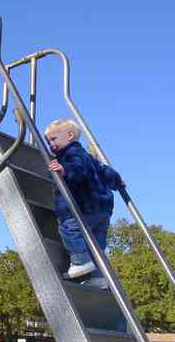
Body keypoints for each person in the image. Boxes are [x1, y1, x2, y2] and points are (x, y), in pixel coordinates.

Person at [44, 118, 123, 283]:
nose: (50, 144)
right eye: (48, 141)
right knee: (97, 244)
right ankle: (99, 277)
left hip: (82, 206)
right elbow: (105, 171)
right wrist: (118, 182)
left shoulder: (69, 155)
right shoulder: (88, 156)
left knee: (68, 229)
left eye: (53, 139)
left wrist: (64, 170)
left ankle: (81, 261)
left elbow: (76, 167)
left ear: (70, 135)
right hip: (103, 210)